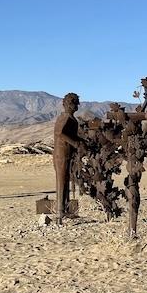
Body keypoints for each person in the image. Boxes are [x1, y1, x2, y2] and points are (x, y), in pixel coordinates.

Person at [53, 92, 84, 223]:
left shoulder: (71, 119)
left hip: (67, 154)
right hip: (61, 154)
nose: (76, 105)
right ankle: (60, 212)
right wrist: (75, 143)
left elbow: (72, 135)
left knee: (65, 180)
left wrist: (81, 142)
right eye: (74, 103)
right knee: (61, 181)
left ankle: (64, 209)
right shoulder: (65, 117)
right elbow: (60, 133)